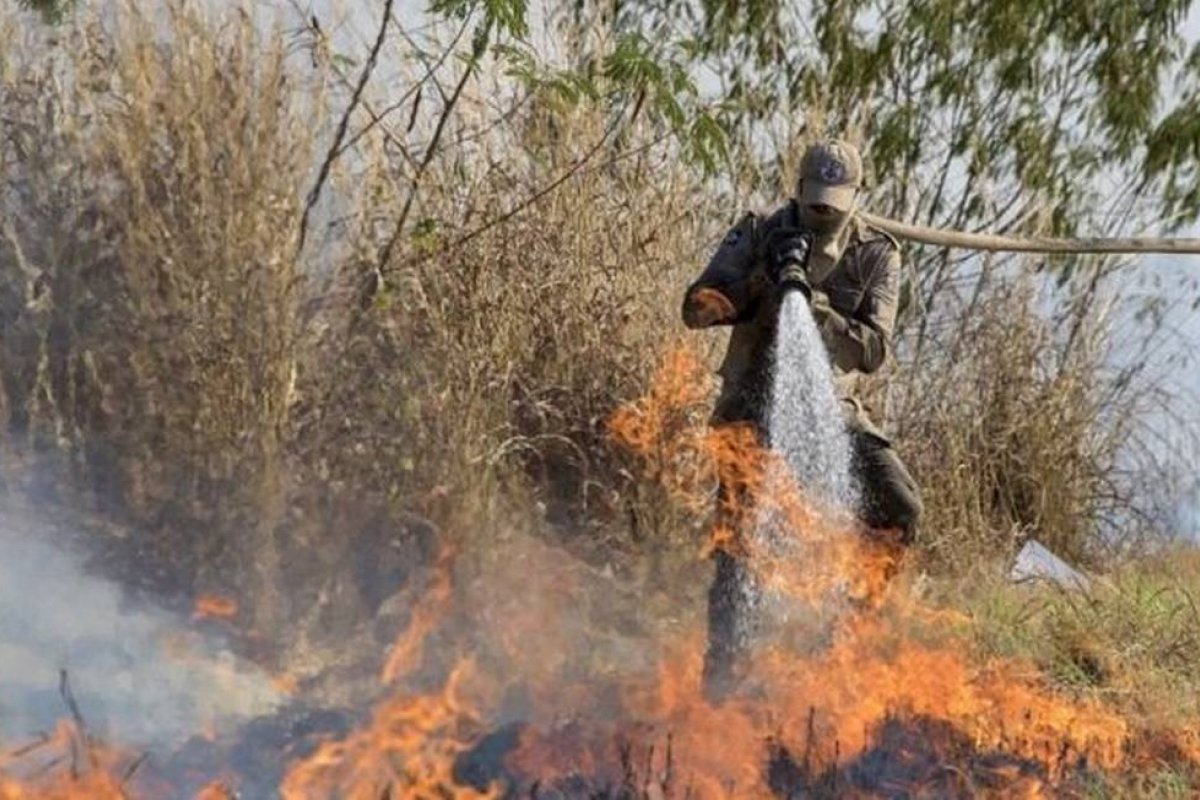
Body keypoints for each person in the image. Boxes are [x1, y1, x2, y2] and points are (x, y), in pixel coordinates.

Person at [680, 138, 923, 699]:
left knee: (900, 506)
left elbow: (873, 351)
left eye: (832, 207)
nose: (821, 215)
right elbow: (695, 309)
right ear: (798, 192)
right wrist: (761, 283)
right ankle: (721, 686)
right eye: (813, 203)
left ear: (855, 199)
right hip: (749, 405)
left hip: (830, 409)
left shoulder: (876, 253)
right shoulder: (761, 228)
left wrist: (812, 306)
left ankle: (845, 638)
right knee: (740, 546)